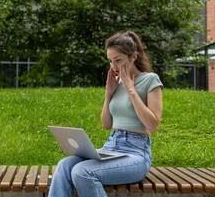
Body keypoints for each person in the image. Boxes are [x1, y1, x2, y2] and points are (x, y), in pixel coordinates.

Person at [48, 31, 163, 197]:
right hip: (112, 146)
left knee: (82, 171)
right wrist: (109, 93)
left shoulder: (150, 80)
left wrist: (131, 89)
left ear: (134, 57)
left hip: (136, 153)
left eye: (118, 60)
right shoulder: (118, 83)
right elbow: (106, 125)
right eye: (110, 61)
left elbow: (153, 125)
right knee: (65, 165)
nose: (114, 66)